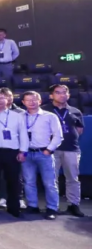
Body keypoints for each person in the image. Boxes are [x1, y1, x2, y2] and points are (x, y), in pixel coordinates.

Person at [42, 84, 85, 217]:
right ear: (51, 96)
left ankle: (74, 205)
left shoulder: (75, 111)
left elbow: (79, 130)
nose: (62, 95)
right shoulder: (44, 110)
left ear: (69, 95)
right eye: (58, 92)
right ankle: (52, 206)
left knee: (73, 178)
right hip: (51, 149)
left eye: (64, 92)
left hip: (71, 149)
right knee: (51, 179)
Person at [0, 89, 29, 218]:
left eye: (1, 98)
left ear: (7, 99)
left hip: (12, 152)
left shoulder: (17, 116)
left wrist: (23, 152)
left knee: (14, 181)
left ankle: (14, 207)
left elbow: (23, 134)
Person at [21, 91, 62, 220]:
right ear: (23, 102)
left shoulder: (50, 116)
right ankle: (32, 206)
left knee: (49, 183)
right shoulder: (20, 116)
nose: (31, 102)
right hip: (26, 153)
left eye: (34, 99)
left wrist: (49, 150)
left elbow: (58, 136)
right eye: (28, 100)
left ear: (40, 101)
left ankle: (52, 208)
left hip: (44, 153)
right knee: (29, 181)